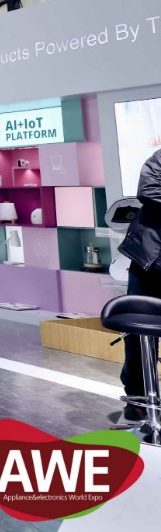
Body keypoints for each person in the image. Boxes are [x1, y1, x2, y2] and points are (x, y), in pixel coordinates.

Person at [118, 146, 161, 417]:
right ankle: (138, 398)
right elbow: (148, 191)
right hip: (150, 261)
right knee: (139, 333)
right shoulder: (159, 158)